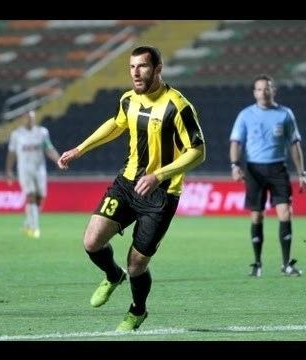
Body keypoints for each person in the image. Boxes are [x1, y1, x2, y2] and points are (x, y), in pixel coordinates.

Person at [57, 45, 206, 331]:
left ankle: (137, 311)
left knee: (137, 264)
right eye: (132, 67)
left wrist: (159, 175)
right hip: (127, 184)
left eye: (143, 67)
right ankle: (114, 276)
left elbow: (198, 151)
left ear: (158, 69)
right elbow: (115, 125)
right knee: (91, 242)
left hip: (160, 195)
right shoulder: (128, 100)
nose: (136, 73)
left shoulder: (178, 106)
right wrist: (80, 149)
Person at [229, 74, 306, 278]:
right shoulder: (245, 115)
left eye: (267, 88)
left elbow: (294, 144)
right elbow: (236, 142)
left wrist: (302, 173)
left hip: (278, 169)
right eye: (259, 89)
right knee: (257, 215)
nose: (263, 92)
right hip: (254, 170)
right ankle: (257, 263)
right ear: (254, 92)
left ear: (274, 90)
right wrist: (235, 165)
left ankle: (286, 264)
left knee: (286, 213)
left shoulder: (285, 114)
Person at [5, 110, 61, 239]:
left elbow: (48, 148)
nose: (30, 120)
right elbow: (11, 153)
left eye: (32, 118)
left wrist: (58, 159)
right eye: (28, 118)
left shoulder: (42, 132)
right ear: (23, 119)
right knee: (30, 195)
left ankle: (27, 223)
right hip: (24, 169)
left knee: (40, 197)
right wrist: (8, 170)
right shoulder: (16, 134)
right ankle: (35, 228)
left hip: (39, 169)